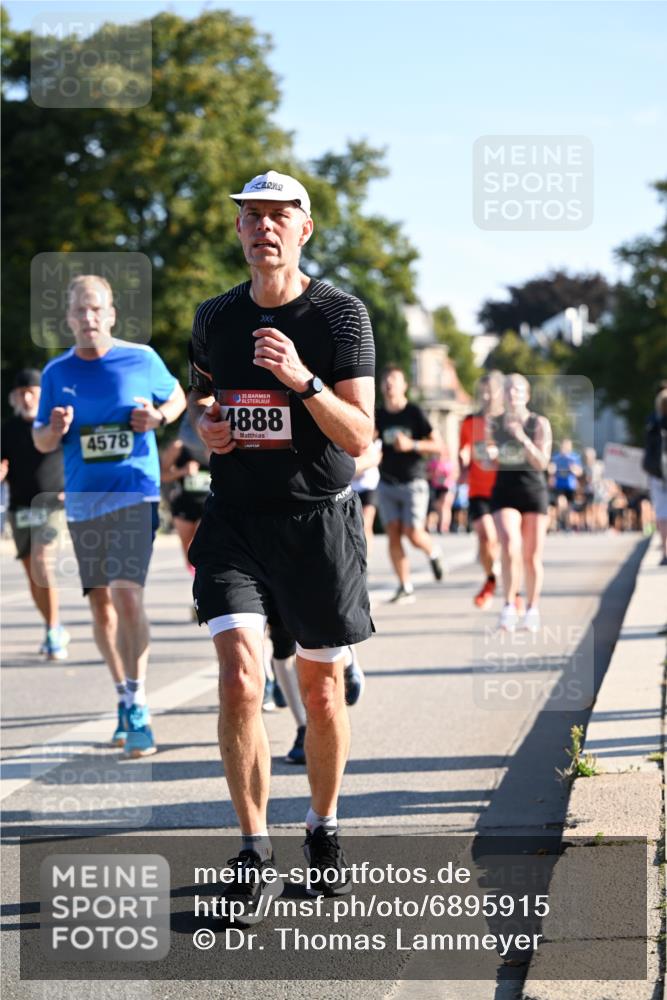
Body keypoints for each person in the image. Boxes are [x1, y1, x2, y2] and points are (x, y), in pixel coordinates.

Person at [186, 170, 375, 918]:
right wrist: (207, 426)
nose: (263, 226)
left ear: (304, 229)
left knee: (321, 692)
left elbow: (360, 436)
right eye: (250, 215)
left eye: (278, 215)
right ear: (238, 231)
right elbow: (205, 397)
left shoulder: (339, 317)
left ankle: (323, 830)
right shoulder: (215, 317)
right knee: (239, 678)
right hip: (234, 520)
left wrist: (303, 382)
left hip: (318, 522)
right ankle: (252, 847)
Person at [33, 274, 186, 755]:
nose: (88, 318)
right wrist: (55, 429)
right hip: (84, 499)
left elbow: (177, 395)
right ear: (69, 318)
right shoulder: (57, 372)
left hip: (134, 493)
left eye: (97, 309)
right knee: (100, 605)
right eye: (80, 310)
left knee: (126, 597)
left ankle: (138, 703)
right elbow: (40, 440)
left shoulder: (140, 358)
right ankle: (123, 693)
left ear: (112, 314)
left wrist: (159, 418)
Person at [1, 368, 69, 659]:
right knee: (32, 575)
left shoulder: (56, 424)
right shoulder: (7, 429)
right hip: (20, 508)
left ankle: (54, 631)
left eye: (32, 392)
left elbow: (78, 457)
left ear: (43, 395)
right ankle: (52, 626)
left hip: (53, 505)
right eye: (21, 393)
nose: (26, 397)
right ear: (13, 398)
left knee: (43, 563)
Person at [487, 373, 552, 633]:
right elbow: (487, 455)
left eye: (517, 390)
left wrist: (521, 438)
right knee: (510, 544)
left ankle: (532, 608)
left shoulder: (539, 423)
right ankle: (508, 606)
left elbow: (542, 462)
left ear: (527, 394)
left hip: (534, 491)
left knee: (532, 556)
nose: (512, 394)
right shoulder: (494, 423)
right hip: (505, 491)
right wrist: (490, 453)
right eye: (508, 390)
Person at [375, 365, 444, 603]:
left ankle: (433, 551)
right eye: (386, 380)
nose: (389, 384)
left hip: (414, 481)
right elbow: (368, 440)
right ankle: (405, 586)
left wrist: (412, 445)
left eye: (394, 379)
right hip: (386, 483)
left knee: (413, 533)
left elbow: (438, 445)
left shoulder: (414, 412)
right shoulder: (379, 415)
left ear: (404, 385)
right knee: (393, 534)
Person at [459, 371, 503, 608]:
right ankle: (490, 579)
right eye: (483, 390)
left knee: (498, 542)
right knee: (487, 535)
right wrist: (462, 461)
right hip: (478, 489)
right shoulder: (468, 422)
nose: (486, 395)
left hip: (503, 489)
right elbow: (464, 449)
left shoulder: (508, 422)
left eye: (491, 390)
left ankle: (502, 586)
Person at [160, 412, 211, 617]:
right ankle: (198, 595)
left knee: (203, 550)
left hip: (208, 504)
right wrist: (182, 472)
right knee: (189, 554)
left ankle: (205, 596)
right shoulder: (179, 446)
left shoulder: (213, 441)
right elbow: (163, 474)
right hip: (183, 503)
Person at [643, 388, 667, 564]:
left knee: (661, 513)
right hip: (659, 471)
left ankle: (665, 549)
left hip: (657, 473)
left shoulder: (653, 422)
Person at [350, 439, 381, 553]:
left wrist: (353, 467)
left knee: (366, 524)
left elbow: (375, 459)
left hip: (369, 486)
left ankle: (365, 559)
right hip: (351, 489)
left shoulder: (366, 441)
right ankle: (358, 555)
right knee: (354, 525)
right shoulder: (343, 440)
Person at [550, 438, 583, 532]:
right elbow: (551, 469)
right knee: (560, 503)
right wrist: (551, 474)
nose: (565, 447)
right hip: (559, 484)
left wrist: (574, 469)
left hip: (570, 485)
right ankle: (560, 522)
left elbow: (579, 472)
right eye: (564, 445)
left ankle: (567, 525)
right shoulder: (556, 457)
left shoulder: (574, 457)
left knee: (569, 506)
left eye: (567, 445)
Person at [426, 445, 455, 534]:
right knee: (438, 507)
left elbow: (453, 475)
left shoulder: (449, 463)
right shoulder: (433, 463)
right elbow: (428, 474)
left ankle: (444, 526)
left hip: (446, 487)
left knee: (445, 506)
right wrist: (434, 474)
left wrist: (446, 478)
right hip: (436, 487)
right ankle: (438, 525)